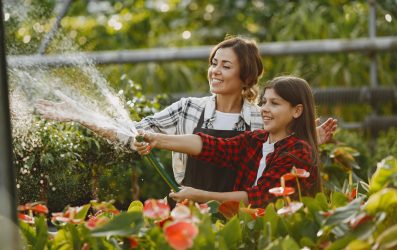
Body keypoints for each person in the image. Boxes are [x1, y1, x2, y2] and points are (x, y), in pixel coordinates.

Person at [36, 36, 336, 195]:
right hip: (187, 208)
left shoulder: (261, 120)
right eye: (213, 63)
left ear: (245, 76)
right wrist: (80, 115)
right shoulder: (188, 109)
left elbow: (281, 158)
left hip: (237, 214)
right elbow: (132, 133)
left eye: (225, 66)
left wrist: (312, 142)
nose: (215, 71)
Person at [134, 76, 321, 208]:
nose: (264, 109)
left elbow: (259, 198)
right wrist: (157, 139)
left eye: (275, 103)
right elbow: (213, 147)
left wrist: (200, 196)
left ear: (297, 111)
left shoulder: (298, 150)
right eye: (264, 102)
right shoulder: (256, 140)